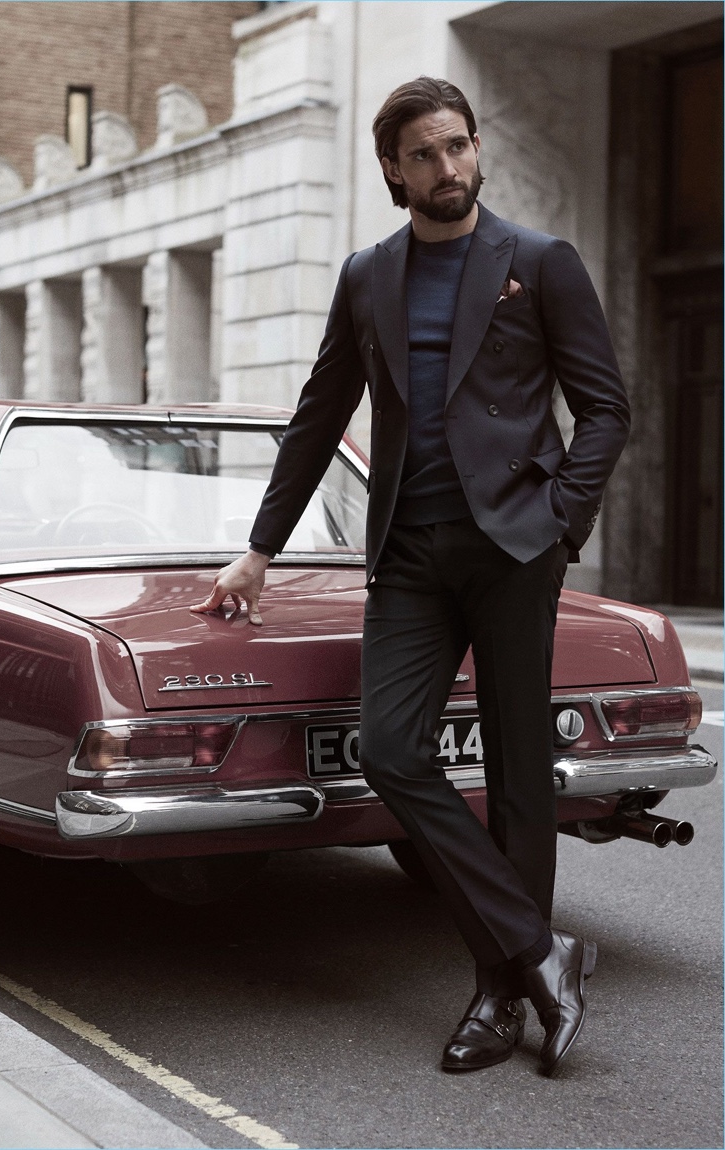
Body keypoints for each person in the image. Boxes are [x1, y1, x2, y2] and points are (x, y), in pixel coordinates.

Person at [191, 77, 630, 1076]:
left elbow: (604, 407)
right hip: (407, 556)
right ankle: (537, 950)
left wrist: (559, 521)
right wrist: (259, 547)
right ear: (392, 168)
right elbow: (317, 413)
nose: (449, 167)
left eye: (459, 146)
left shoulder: (539, 261)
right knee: (392, 751)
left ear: (476, 149)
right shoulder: (365, 277)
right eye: (425, 153)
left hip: (514, 550)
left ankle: (495, 995)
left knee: (520, 777)